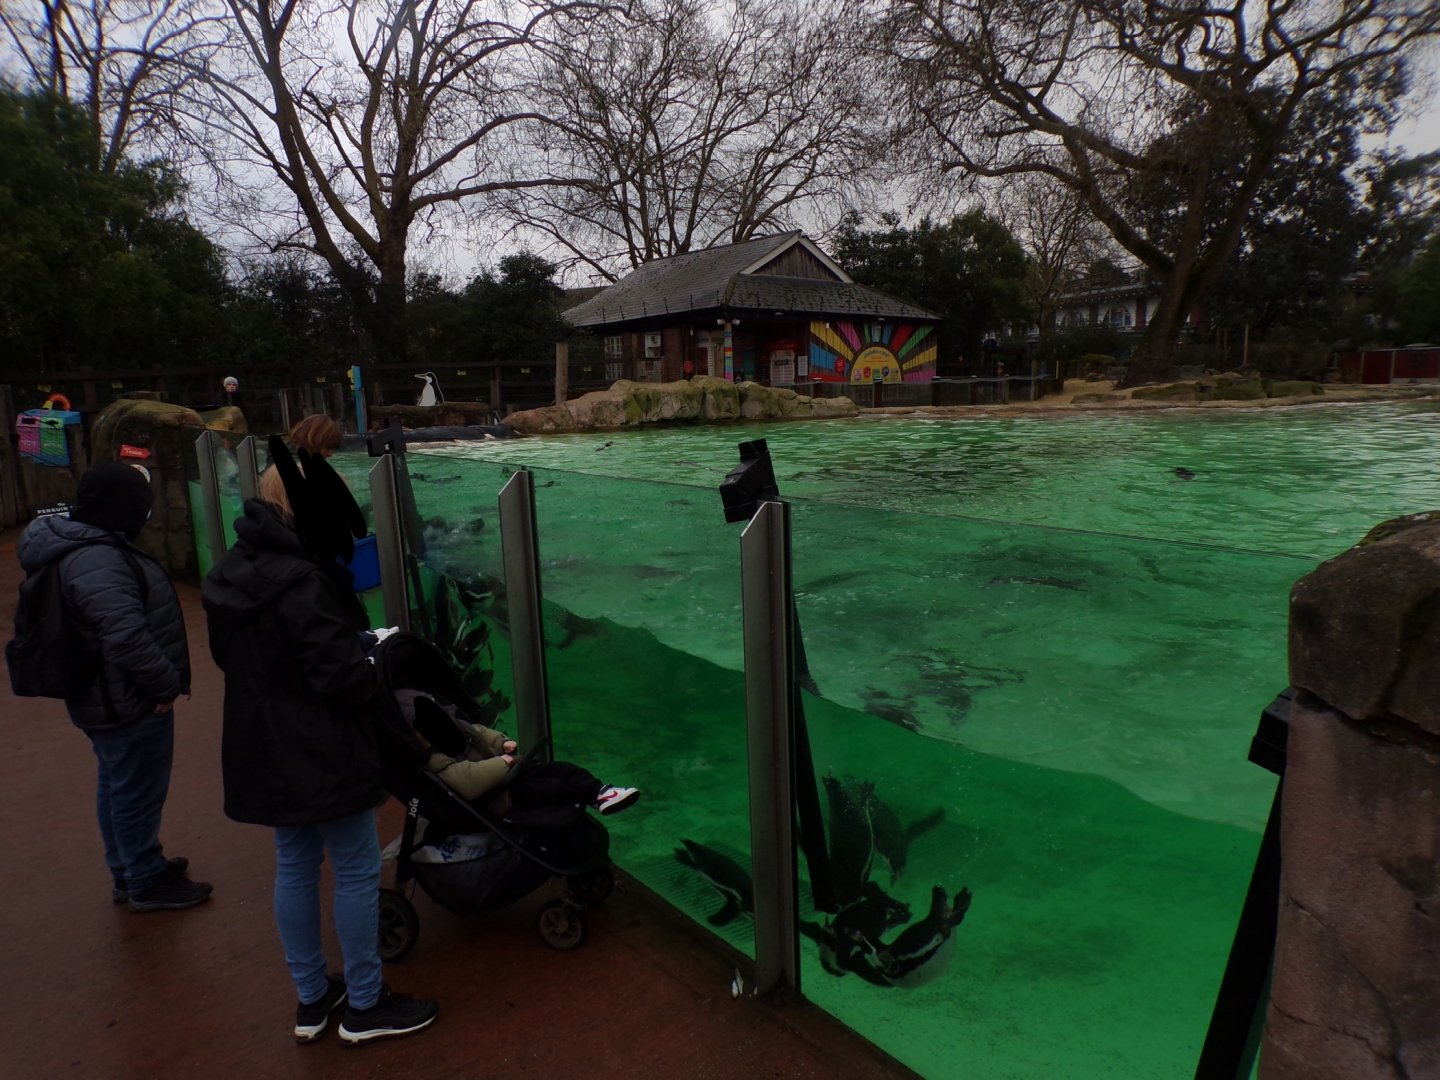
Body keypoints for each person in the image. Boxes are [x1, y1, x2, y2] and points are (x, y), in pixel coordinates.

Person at [202, 443, 437, 1045]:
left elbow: (232, 657)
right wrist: (372, 667)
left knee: (296, 864)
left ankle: (312, 999)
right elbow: (335, 673)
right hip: (322, 745)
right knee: (357, 865)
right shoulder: (305, 579)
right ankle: (364, 1003)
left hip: (265, 742)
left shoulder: (232, 568)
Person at [15, 463, 210, 912]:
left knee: (117, 782)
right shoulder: (96, 557)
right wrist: (164, 687)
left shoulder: (79, 543)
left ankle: (132, 868)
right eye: (140, 507)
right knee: (136, 790)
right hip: (125, 700)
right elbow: (125, 637)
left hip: (101, 697)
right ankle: (143, 880)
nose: (144, 517)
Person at [394, 687, 639, 818]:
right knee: (550, 788)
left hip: (511, 774)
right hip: (498, 796)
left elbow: (481, 732)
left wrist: (502, 742)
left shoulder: (457, 729)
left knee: (560, 769)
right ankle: (591, 795)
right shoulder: (434, 760)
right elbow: (466, 781)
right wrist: (503, 762)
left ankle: (600, 791)